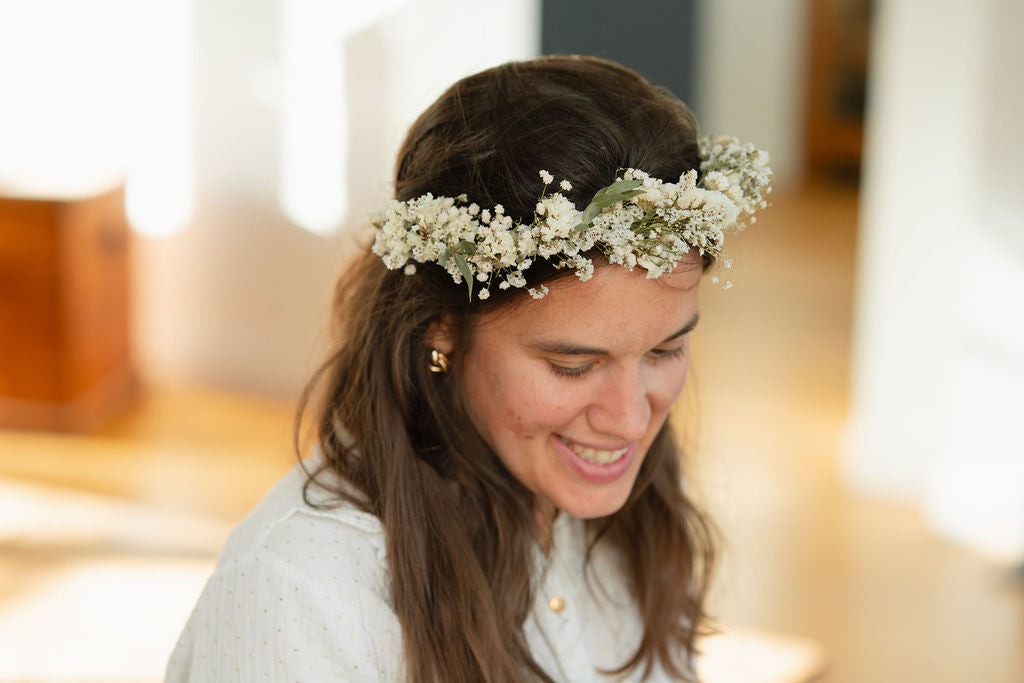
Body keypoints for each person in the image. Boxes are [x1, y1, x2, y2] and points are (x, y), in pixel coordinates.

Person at [166, 55, 771, 682]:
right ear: (443, 327)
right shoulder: (298, 594)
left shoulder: (626, 509)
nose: (629, 419)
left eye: (664, 351)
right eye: (572, 366)